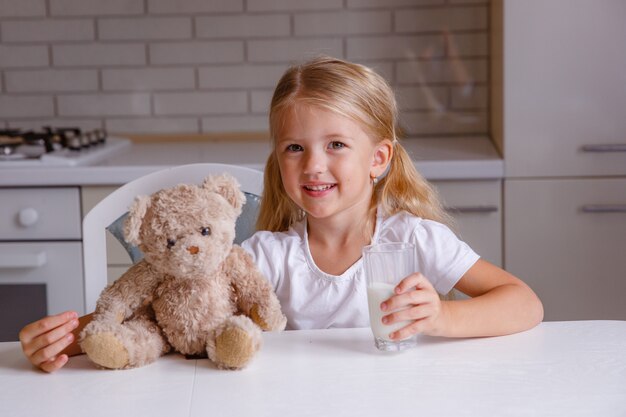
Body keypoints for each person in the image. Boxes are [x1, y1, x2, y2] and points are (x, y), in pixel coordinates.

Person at [19, 56, 543, 373]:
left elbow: (524, 304)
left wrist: (442, 316)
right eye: (294, 148)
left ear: (378, 158)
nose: (313, 164)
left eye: (336, 143)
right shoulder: (269, 256)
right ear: (279, 160)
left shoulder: (416, 241)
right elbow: (165, 318)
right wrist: (70, 339)